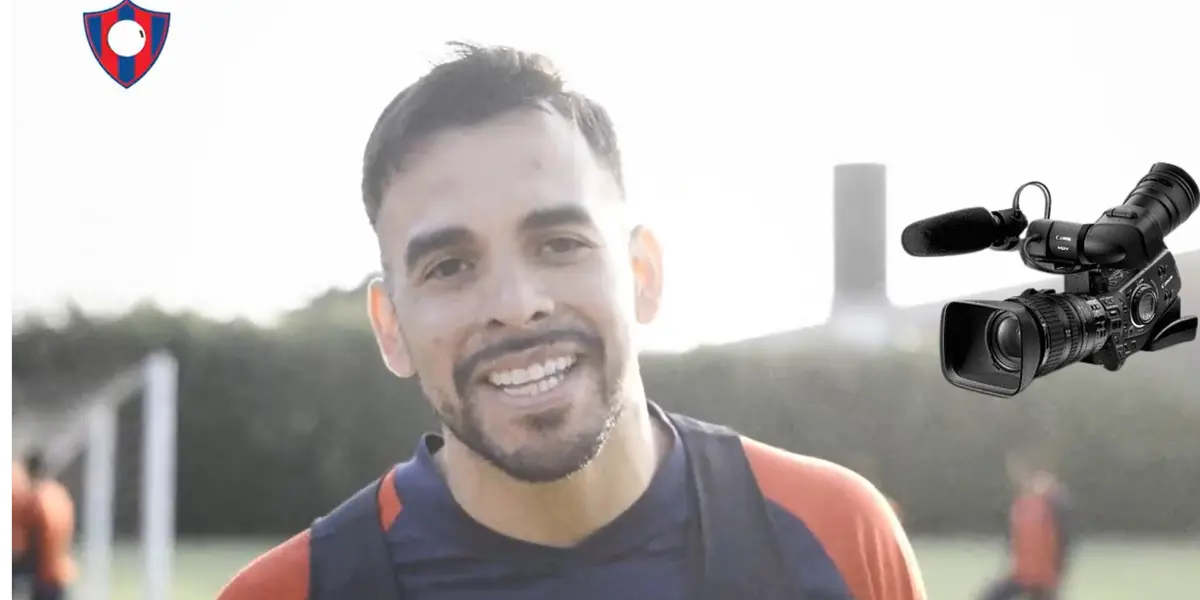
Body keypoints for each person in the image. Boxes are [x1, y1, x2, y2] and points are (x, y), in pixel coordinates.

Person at [217, 42, 925, 600]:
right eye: (450, 267)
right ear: (391, 326)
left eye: (560, 244)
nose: (516, 302)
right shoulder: (288, 592)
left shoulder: (836, 534)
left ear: (641, 274)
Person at [979, 446, 1074, 600]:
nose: (1012, 473)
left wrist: (1058, 573)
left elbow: (1064, 535)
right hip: (1022, 574)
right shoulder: (1023, 498)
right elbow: (1015, 535)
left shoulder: (1052, 496)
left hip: (1043, 578)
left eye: (1015, 466)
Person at [12, 451, 76, 600]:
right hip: (61, 569)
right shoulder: (59, 493)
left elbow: (31, 540)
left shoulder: (37, 500)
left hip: (45, 573)